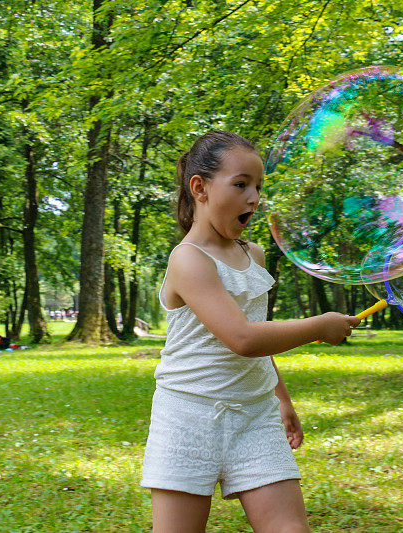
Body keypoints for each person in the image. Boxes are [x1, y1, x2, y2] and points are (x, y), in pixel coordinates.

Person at [141, 130, 359, 533]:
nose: (254, 197)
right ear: (199, 188)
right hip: (188, 416)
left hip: (254, 416)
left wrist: (281, 398)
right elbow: (243, 339)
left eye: (258, 186)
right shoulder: (187, 260)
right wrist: (319, 327)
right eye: (240, 184)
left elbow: (258, 336)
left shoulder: (253, 254)